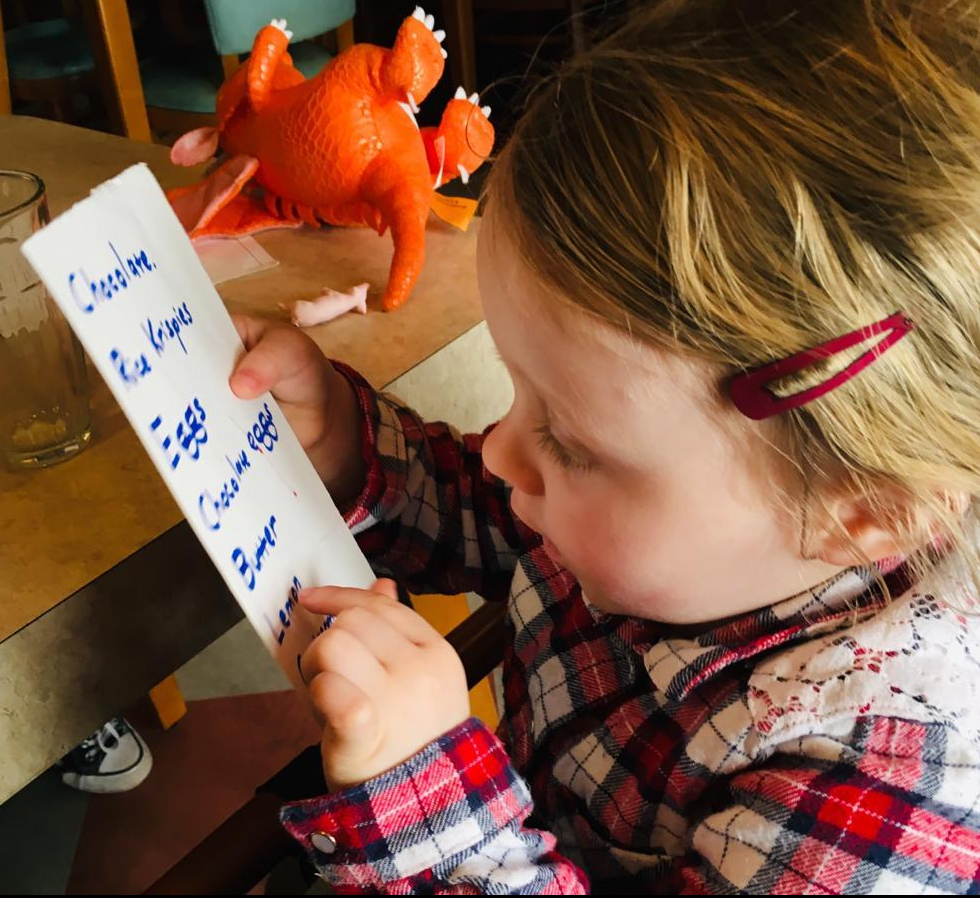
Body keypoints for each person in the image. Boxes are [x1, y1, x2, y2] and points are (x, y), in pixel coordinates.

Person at [227, 1, 980, 892]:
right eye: (518, 389)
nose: (503, 454)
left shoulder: (889, 778)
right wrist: (343, 443)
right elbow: (487, 510)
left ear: (864, 509)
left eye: (570, 442)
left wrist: (429, 818)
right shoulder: (671, 524)